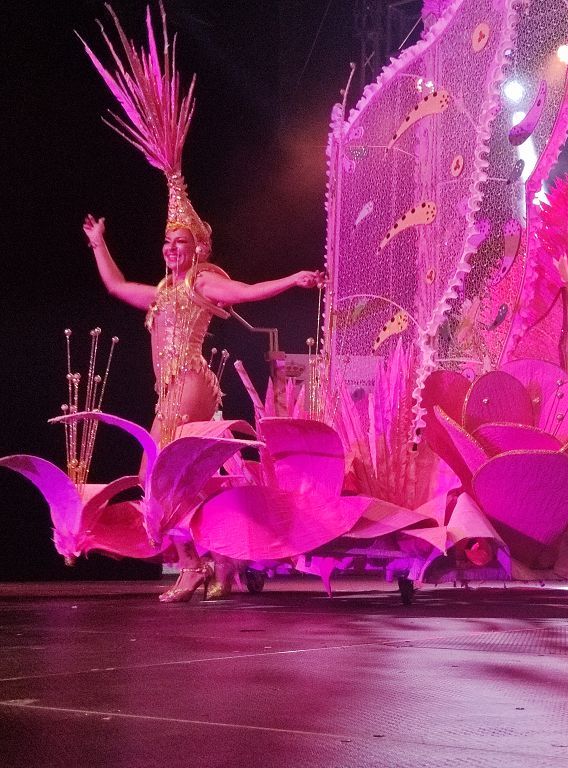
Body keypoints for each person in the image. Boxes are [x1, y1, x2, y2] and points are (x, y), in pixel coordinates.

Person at [79, 5, 321, 602]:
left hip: (189, 380)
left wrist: (289, 279)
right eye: (167, 243)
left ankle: (190, 565)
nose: (172, 250)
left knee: (156, 472)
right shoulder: (160, 291)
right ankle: (223, 559)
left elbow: (242, 292)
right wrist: (99, 243)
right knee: (179, 477)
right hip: (173, 387)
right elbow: (115, 287)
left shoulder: (200, 283)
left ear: (196, 247)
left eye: (181, 242)